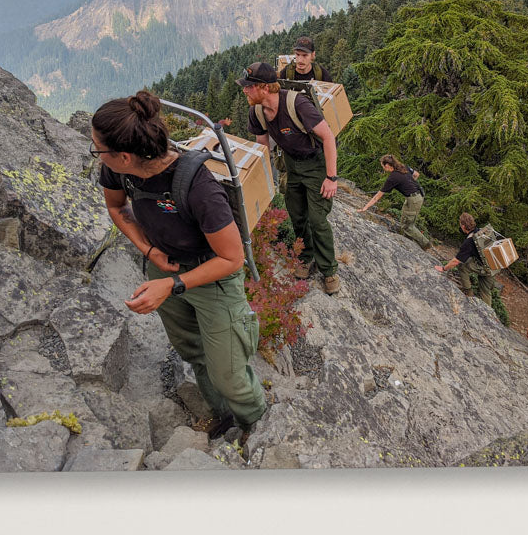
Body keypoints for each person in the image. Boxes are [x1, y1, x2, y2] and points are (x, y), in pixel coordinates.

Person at [91, 90, 266, 437]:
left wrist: (172, 284)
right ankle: (224, 415)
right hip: (164, 268)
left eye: (97, 148)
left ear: (124, 156)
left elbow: (232, 259)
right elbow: (116, 208)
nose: (96, 155)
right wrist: (150, 252)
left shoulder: (198, 187)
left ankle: (255, 425)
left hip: (211, 277)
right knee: (193, 350)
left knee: (229, 374)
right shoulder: (118, 171)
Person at [238, 61, 341, 294]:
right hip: (291, 165)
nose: (244, 90)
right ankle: (305, 258)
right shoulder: (256, 112)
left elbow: (328, 138)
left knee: (317, 220)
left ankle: (329, 271)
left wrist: (331, 178)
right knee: (296, 215)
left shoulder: (297, 104)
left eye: (249, 86)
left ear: (264, 87)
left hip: (316, 164)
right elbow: (262, 150)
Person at [358, 155, 431, 250]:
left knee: (407, 226)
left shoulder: (393, 178)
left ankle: (426, 244)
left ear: (387, 165)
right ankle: (409, 243)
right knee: (404, 221)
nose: (383, 168)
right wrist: (410, 184)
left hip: (413, 199)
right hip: (417, 196)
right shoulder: (404, 167)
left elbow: (377, 196)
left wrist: (365, 207)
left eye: (383, 166)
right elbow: (416, 174)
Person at [434, 212, 495, 306]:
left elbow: (456, 261)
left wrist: (443, 269)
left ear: (463, 226)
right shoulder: (481, 231)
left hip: (484, 267)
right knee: (486, 291)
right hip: (493, 264)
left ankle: (468, 293)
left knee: (462, 266)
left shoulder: (469, 242)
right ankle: (489, 313)